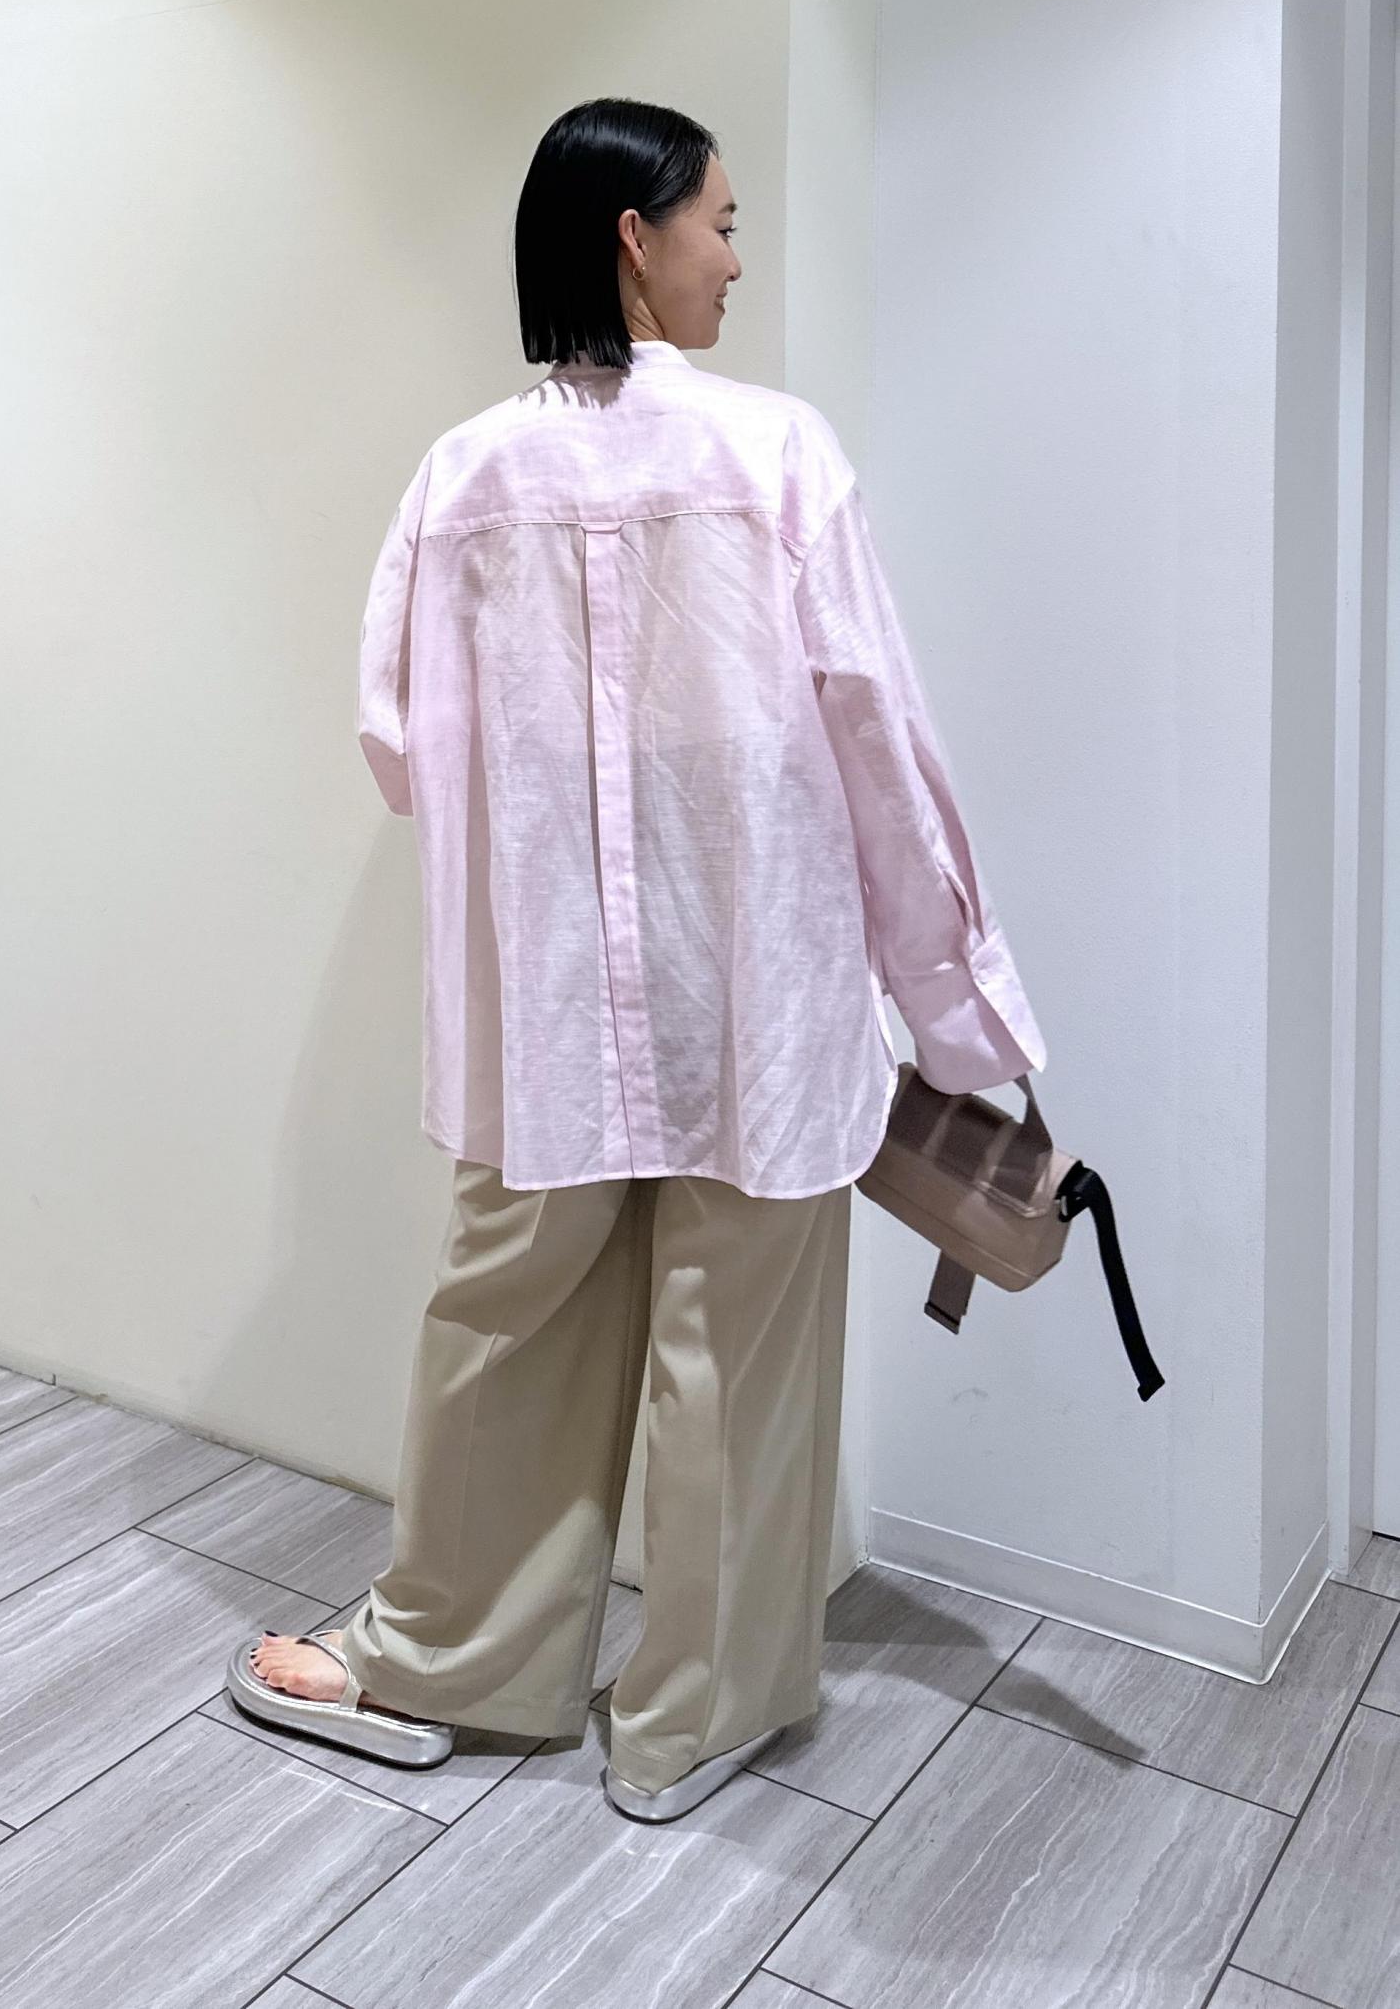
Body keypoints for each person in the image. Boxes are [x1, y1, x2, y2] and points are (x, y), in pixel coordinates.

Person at [229, 96, 1046, 1824]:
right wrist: (958, 1013)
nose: (737, 260)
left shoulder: (463, 478)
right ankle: (694, 1720)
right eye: (722, 224)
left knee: (504, 1324)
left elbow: (395, 747)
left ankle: (448, 1664)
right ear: (635, 233)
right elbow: (882, 749)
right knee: (735, 1358)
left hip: (543, 1011)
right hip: (764, 998)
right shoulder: (780, 457)